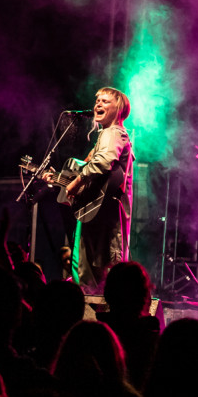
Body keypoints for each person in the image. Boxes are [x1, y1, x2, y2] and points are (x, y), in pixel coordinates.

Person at [66, 87, 134, 292]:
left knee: (99, 271)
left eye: (105, 101)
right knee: (98, 270)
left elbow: (103, 162)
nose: (98, 104)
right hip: (100, 211)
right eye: (97, 100)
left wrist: (75, 183)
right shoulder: (107, 135)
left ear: (119, 109)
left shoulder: (112, 132)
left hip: (106, 213)